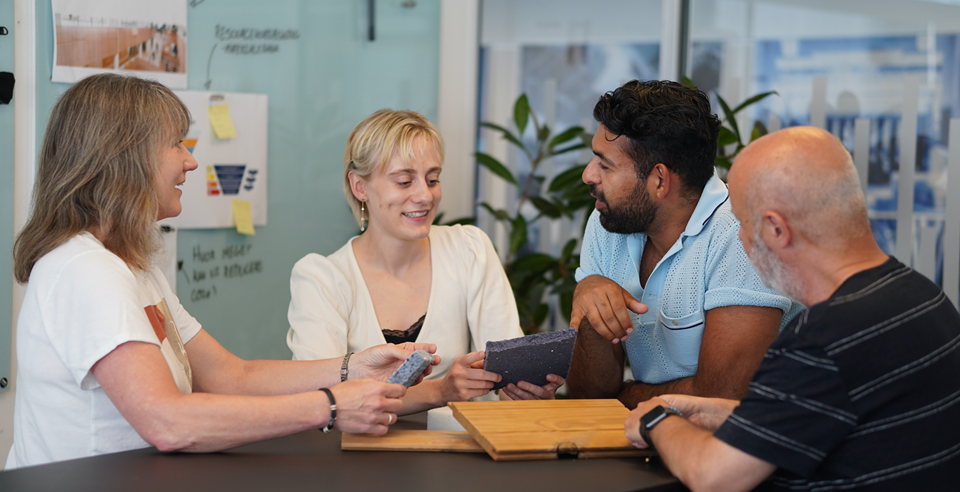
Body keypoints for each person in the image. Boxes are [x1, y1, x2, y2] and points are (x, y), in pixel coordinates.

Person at [7, 74, 438, 469]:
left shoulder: (133, 267)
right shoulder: (85, 270)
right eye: (176, 144)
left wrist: (354, 369)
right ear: (125, 157)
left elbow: (231, 376)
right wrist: (330, 406)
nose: (190, 161)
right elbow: (167, 421)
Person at [626, 126, 960, 490]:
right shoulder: (922, 297)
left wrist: (656, 419)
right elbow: (813, 410)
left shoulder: (825, 338)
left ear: (776, 230)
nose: (739, 238)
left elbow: (713, 476)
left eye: (742, 222)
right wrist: (708, 410)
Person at [286, 109, 563, 411]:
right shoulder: (321, 278)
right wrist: (440, 391)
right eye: (405, 182)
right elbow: (324, 400)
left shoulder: (469, 249)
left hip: (462, 440)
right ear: (359, 187)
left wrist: (525, 390)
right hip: (361, 442)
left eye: (432, 179)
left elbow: (507, 378)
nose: (425, 196)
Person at [567, 80, 802, 408]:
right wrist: (590, 303)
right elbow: (587, 397)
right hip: (651, 432)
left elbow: (723, 400)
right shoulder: (608, 222)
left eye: (605, 165)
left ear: (659, 180)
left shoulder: (741, 235)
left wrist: (623, 397)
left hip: (769, 436)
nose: (588, 175)